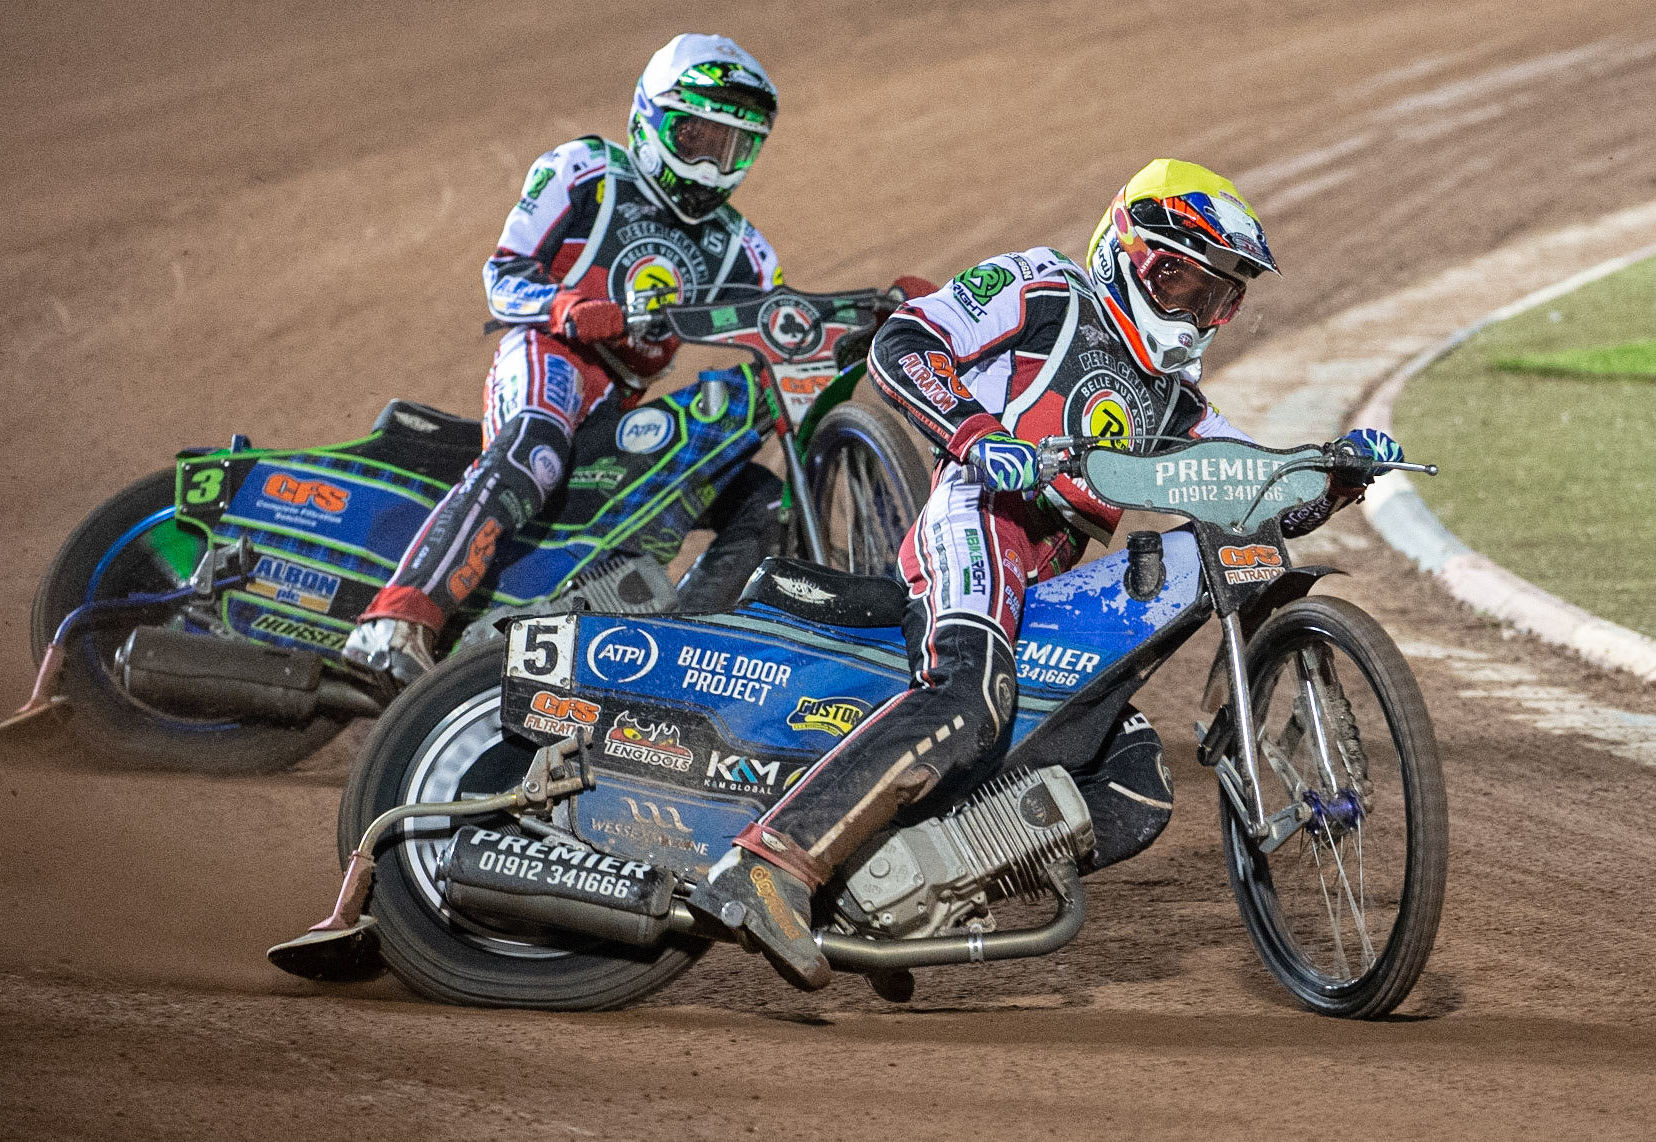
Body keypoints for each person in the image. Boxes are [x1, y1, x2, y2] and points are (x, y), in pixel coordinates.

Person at [686, 159, 1406, 990]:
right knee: (971, 695)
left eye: (1214, 298)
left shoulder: (1175, 401)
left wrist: (1334, 476)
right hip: (981, 518)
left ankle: (898, 884)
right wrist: (977, 432)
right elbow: (905, 342)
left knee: (1135, 784)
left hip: (1052, 573)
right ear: (1124, 250)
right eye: (1177, 280)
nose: (1193, 311)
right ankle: (772, 865)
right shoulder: (1046, 288)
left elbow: (1253, 487)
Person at [345, 33, 785, 685]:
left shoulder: (743, 249)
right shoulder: (586, 171)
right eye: (697, 138)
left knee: (763, 497)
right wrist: (569, 310)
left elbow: (786, 324)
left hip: (621, 400)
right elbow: (502, 277)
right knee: (538, 444)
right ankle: (396, 621)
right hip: (550, 352)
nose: (712, 165)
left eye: (732, 148)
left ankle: (679, 666)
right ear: (653, 118)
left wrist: (890, 315)